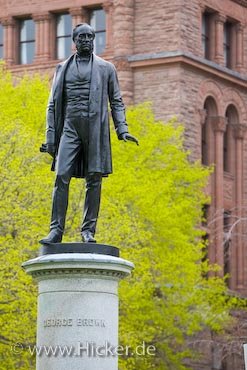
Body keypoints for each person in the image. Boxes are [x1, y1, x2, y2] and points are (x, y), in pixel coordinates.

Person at [40, 23, 138, 244]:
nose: (87, 40)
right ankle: (56, 230)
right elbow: (52, 105)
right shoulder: (61, 68)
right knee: (61, 175)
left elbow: (117, 101)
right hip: (69, 126)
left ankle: (88, 230)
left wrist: (122, 129)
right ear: (74, 41)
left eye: (90, 36)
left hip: (95, 127)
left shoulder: (106, 68)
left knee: (94, 178)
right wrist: (50, 137)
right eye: (82, 37)